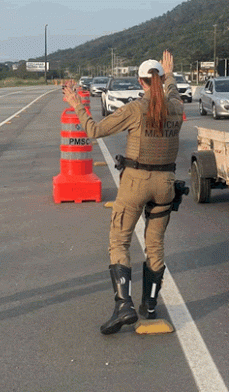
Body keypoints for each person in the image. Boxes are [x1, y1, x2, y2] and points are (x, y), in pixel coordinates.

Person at [63, 51, 184, 334]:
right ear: (161, 80)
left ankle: (123, 305)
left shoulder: (134, 110)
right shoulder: (177, 108)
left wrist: (77, 104)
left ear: (140, 82)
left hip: (135, 183)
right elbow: (174, 93)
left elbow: (93, 130)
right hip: (166, 184)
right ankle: (150, 306)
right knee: (155, 245)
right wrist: (170, 75)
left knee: (119, 241)